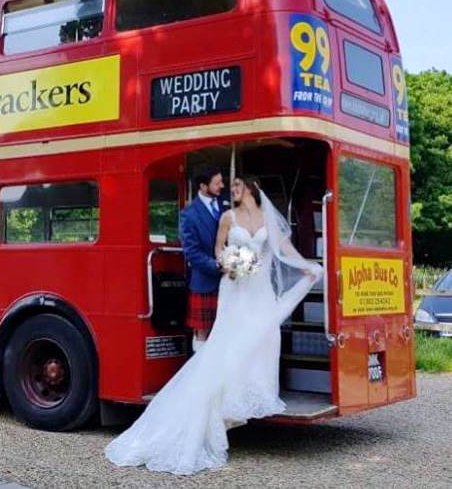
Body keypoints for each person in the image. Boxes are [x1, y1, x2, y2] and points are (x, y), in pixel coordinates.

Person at [105, 176, 322, 475]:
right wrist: (231, 263)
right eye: (229, 187)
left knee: (266, 337)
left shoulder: (266, 217)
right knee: (231, 343)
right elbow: (220, 250)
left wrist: (307, 267)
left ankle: (255, 392)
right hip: (235, 288)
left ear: (251, 189)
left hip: (260, 290)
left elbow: (283, 247)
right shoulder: (227, 217)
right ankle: (226, 399)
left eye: (236, 187)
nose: (232, 191)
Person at [180, 165, 225, 353]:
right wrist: (218, 266)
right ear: (203, 186)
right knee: (202, 334)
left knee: (224, 333)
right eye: (217, 183)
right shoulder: (189, 214)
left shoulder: (227, 205)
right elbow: (192, 252)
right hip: (204, 281)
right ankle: (199, 376)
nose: (222, 186)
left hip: (230, 282)